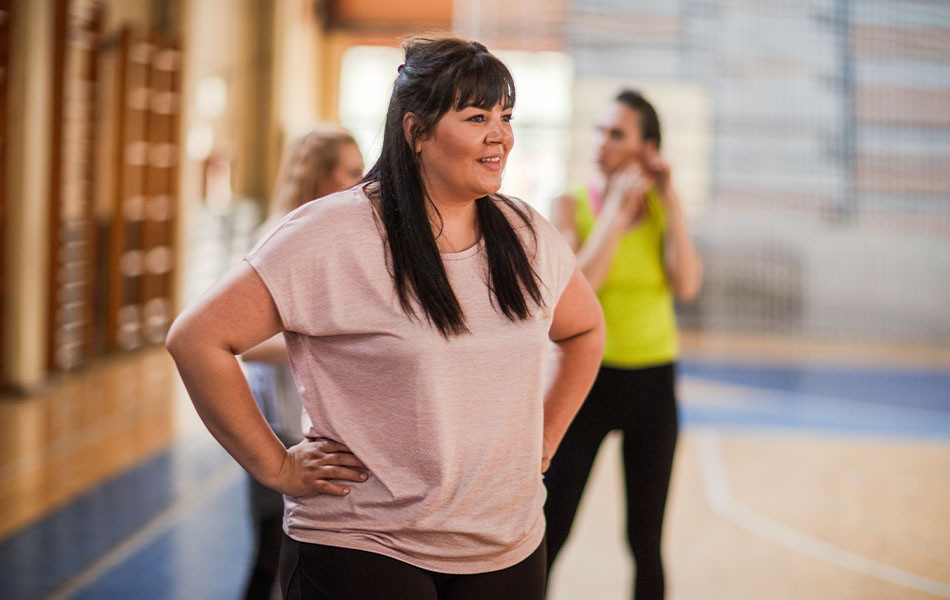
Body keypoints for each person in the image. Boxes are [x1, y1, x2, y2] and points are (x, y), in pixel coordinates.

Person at [166, 36, 605, 600]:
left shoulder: (525, 233)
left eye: (506, 115)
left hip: (507, 546)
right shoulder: (331, 233)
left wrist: (544, 439)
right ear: (416, 132)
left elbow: (585, 331)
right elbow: (198, 339)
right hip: (363, 544)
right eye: (477, 116)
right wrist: (276, 467)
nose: (501, 134)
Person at [543, 89, 703, 600]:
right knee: (553, 528)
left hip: (653, 383)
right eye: (598, 130)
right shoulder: (569, 203)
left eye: (617, 134)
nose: (601, 143)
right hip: (584, 381)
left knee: (645, 541)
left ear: (646, 148)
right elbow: (579, 287)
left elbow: (687, 284)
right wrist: (613, 209)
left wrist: (671, 202)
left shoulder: (660, 210)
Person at [239, 125, 365, 600]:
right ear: (318, 177)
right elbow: (247, 343)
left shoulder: (337, 236)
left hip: (310, 420)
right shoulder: (280, 237)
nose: (360, 184)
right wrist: (333, 342)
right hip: (281, 423)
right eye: (351, 172)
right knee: (272, 555)